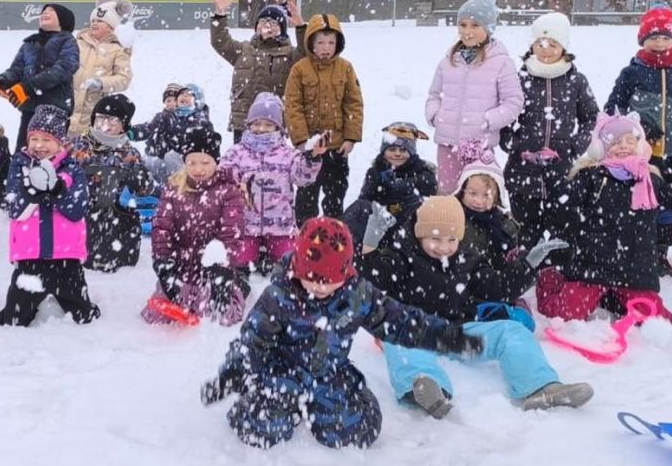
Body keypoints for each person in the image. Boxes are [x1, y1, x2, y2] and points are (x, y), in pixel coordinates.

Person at [200, 217, 483, 449]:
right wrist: (232, 374)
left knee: (354, 434)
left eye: (330, 281)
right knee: (261, 431)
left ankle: (355, 397)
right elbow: (252, 342)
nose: (321, 288)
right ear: (299, 267)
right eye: (313, 279)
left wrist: (445, 336)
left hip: (329, 370)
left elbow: (400, 321)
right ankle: (260, 404)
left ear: (345, 273)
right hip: (281, 371)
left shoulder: (357, 295)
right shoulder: (278, 296)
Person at [369, 196, 594, 417]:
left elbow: (500, 288)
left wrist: (528, 265)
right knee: (395, 338)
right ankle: (426, 390)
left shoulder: (469, 261)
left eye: (451, 240)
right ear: (419, 234)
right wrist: (369, 248)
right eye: (435, 239)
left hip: (459, 332)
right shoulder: (402, 258)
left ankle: (540, 387)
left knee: (511, 330)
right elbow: (372, 279)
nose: (444, 247)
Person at [537, 114, 672, 325]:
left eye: (629, 141)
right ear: (602, 147)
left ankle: (613, 298)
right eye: (615, 142)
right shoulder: (592, 176)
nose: (623, 146)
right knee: (563, 312)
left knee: (658, 321)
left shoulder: (651, 181)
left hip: (635, 271)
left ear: (639, 146)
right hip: (593, 268)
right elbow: (563, 201)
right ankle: (552, 278)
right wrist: (552, 167)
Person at [603, 5, 672, 276]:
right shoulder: (633, 73)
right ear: (642, 39)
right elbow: (613, 111)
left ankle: (661, 251)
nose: (659, 43)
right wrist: (638, 123)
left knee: (669, 208)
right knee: (642, 203)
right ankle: (638, 250)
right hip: (641, 157)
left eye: (665, 37)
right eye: (653, 37)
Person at [500, 12, 598, 253]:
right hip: (522, 168)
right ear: (532, 45)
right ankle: (524, 269)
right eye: (540, 43)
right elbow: (504, 113)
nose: (545, 49)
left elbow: (592, 117)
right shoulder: (517, 78)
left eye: (553, 44)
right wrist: (512, 142)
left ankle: (556, 268)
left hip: (562, 169)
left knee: (561, 224)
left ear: (563, 47)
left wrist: (576, 146)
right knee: (525, 227)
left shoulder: (576, 80)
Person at [0, 104, 100, 326]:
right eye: (34, 138)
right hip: (30, 257)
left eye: (46, 139)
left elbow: (77, 211)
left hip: (66, 258)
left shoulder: (72, 170)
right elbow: (15, 209)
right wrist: (32, 192)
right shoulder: (19, 165)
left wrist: (56, 191)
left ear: (60, 142)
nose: (39, 145)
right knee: (13, 320)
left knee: (83, 316)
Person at [143, 126, 249, 325]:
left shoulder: (228, 192)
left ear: (216, 162)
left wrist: (222, 268)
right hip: (180, 266)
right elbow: (162, 229)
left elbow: (232, 233)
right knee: (159, 315)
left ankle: (238, 284)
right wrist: (165, 265)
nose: (198, 169)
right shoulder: (174, 189)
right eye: (192, 162)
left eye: (205, 162)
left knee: (219, 316)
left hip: (212, 267)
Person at [424, 0, 524, 194]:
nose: (467, 31)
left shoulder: (502, 62)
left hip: (478, 147)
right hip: (447, 144)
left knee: (477, 197)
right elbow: (434, 95)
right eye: (463, 25)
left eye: (475, 25)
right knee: (448, 196)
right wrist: (435, 115)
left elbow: (514, 102)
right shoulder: (448, 62)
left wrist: (486, 120)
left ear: (488, 28)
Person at [219, 93, 324, 274]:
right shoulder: (237, 152)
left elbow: (302, 177)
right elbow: (224, 174)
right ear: (249, 124)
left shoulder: (288, 154)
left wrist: (313, 158)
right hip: (246, 225)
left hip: (280, 225)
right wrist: (237, 182)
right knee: (239, 263)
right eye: (257, 123)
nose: (262, 128)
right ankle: (254, 255)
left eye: (268, 124)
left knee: (290, 262)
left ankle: (271, 254)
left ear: (278, 127)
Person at [283, 12, 364, 222]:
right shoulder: (300, 69)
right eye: (320, 42)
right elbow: (293, 106)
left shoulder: (345, 68)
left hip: (337, 148)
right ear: (311, 43)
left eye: (331, 42)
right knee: (306, 199)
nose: (326, 47)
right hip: (310, 149)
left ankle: (333, 235)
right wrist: (301, 141)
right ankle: (304, 234)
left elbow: (353, 104)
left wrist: (350, 138)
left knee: (335, 199)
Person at [68, 94, 157, 272]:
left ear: (124, 126)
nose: (105, 124)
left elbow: (146, 189)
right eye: (101, 118)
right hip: (79, 211)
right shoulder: (76, 146)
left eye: (113, 120)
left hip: (114, 216)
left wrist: (139, 178)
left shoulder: (128, 153)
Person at [207, 0, 300, 143]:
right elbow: (220, 42)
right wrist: (220, 14)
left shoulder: (290, 53)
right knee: (242, 163)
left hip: (273, 122)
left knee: (273, 164)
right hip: (243, 120)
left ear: (283, 29)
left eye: (274, 22)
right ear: (256, 26)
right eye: (263, 21)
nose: (267, 25)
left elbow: (307, 53)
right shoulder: (243, 49)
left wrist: (300, 26)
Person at [0, 3, 80, 151]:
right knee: (24, 152)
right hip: (30, 109)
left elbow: (63, 68)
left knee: (50, 154)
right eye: (43, 11)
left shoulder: (68, 41)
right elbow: (17, 68)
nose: (44, 13)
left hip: (55, 110)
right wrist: (4, 80)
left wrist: (29, 87)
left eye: (51, 11)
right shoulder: (29, 43)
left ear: (63, 20)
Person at [343, 121, 437, 255]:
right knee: (359, 207)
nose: (397, 154)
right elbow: (365, 199)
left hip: (406, 225)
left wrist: (402, 185)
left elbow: (429, 192)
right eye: (392, 149)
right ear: (384, 151)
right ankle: (344, 245)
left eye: (403, 150)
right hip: (377, 225)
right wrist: (380, 189)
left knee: (419, 206)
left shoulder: (423, 172)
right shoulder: (376, 171)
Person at [69, 0, 135, 136]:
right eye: (93, 20)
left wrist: (101, 83)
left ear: (111, 27)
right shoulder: (78, 43)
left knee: (85, 150)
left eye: (100, 21)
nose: (94, 23)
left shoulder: (118, 49)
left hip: (93, 110)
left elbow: (124, 78)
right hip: (69, 107)